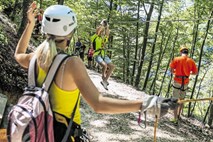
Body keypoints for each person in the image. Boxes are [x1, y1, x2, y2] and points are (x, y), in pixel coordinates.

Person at [14, 2, 177, 142]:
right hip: (60, 136)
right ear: (70, 32)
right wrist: (145, 104)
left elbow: (18, 54)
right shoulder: (71, 63)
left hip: (34, 131)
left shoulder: (33, 58)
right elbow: (98, 104)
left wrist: (29, 24)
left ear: (44, 29)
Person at [170, 46, 198, 124]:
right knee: (182, 99)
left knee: (175, 100)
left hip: (177, 81)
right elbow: (195, 72)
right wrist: (188, 73)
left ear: (181, 52)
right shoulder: (191, 61)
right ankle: (179, 115)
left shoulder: (176, 59)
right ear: (187, 53)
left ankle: (175, 119)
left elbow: (171, 70)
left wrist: (176, 72)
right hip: (185, 82)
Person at [91, 19, 114, 90]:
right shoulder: (94, 37)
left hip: (104, 55)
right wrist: (102, 24)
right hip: (97, 54)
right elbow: (98, 30)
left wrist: (107, 27)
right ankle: (103, 78)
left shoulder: (103, 38)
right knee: (105, 65)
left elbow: (107, 33)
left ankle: (105, 80)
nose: (101, 31)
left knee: (112, 66)